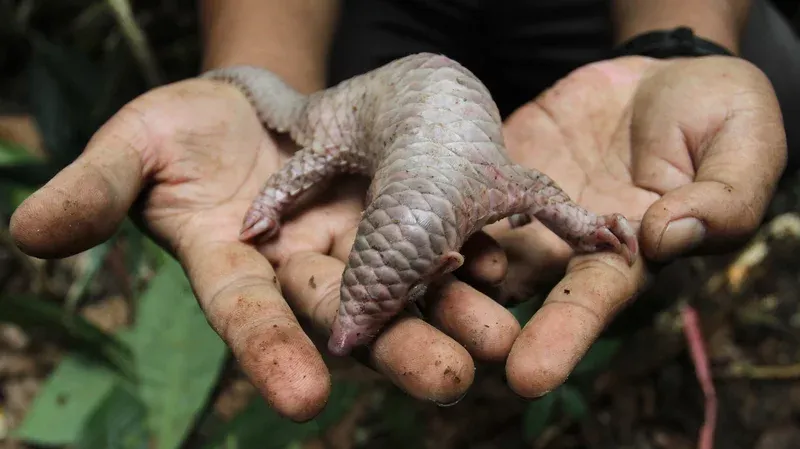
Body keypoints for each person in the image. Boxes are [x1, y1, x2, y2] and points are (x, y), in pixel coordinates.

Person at [9, 0, 798, 422]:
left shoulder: (491, 185)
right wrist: (273, 166)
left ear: (448, 258)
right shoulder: (488, 183)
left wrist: (675, 44)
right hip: (378, 85)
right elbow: (542, 195)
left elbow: (552, 199)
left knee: (781, 69)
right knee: (315, 136)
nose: (350, 330)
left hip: (566, 29)